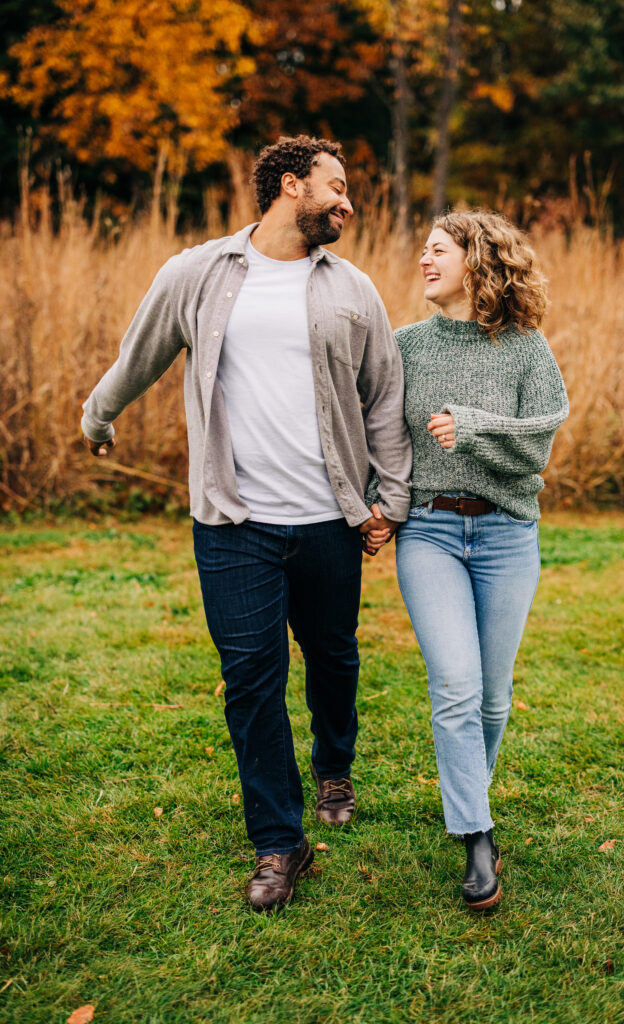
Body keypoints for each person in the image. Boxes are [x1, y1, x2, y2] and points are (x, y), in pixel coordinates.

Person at [82, 135, 411, 911]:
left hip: (329, 517)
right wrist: (98, 416)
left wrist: (386, 501)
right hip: (234, 523)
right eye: (336, 188)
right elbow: (141, 354)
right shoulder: (195, 273)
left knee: (331, 656)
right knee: (251, 682)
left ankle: (336, 764)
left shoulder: (353, 288)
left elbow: (385, 397)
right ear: (291, 187)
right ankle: (278, 841)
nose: (347, 203)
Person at [365, 209, 569, 910]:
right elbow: (382, 439)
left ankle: (467, 797)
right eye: (422, 250)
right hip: (429, 532)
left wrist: (474, 428)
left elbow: (541, 437)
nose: (423, 260)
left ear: (477, 262)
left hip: (508, 534)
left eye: (437, 250)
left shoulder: (523, 348)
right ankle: (476, 832)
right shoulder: (405, 346)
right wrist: (376, 504)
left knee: (492, 694)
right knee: (455, 684)